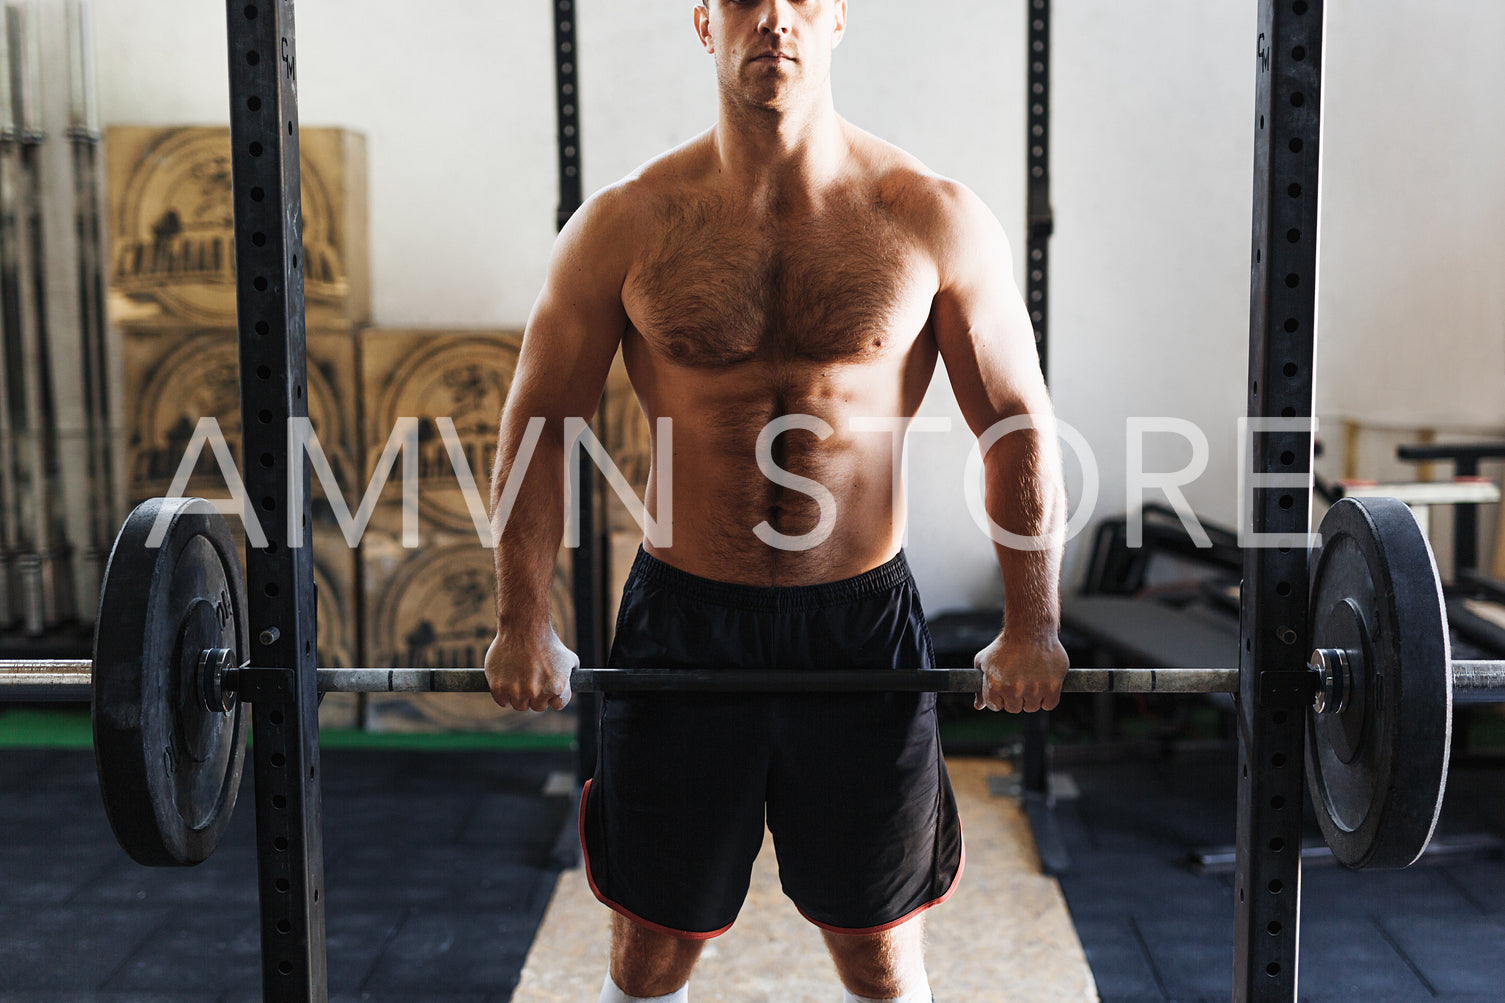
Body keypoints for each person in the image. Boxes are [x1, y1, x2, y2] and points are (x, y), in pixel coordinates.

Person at [484, 2, 1070, 1000]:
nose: (776, 21)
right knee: (653, 943)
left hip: (858, 624)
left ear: (837, 20)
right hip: (680, 621)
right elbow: (540, 426)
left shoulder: (928, 215)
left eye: (802, 0)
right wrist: (521, 621)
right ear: (705, 23)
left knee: (877, 951)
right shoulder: (625, 223)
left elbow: (1013, 424)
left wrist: (1031, 624)